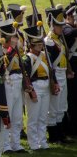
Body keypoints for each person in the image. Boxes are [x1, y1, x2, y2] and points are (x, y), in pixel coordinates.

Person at [23, 21, 56, 150]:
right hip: (35, 87)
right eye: (38, 44)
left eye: (41, 43)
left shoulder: (46, 56)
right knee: (33, 118)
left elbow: (51, 71)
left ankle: (43, 141)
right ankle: (33, 143)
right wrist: (31, 92)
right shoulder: (27, 59)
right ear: (31, 45)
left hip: (46, 86)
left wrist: (55, 84)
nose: (41, 46)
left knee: (43, 117)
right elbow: (26, 78)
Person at [44, 6, 74, 143]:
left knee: (62, 106)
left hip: (62, 73)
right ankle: (54, 136)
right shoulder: (49, 42)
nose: (61, 28)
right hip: (55, 75)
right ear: (52, 26)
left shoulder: (58, 39)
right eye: (58, 26)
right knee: (53, 108)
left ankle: (61, 134)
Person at [0, 19, 26, 153]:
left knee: (17, 116)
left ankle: (16, 144)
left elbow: (21, 65)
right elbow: (1, 68)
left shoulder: (14, 48)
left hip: (18, 80)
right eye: (11, 36)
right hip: (7, 83)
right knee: (6, 115)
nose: (14, 38)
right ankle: (5, 145)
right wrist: (12, 50)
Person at [63, 3, 77, 137]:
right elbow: (71, 32)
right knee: (71, 99)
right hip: (71, 67)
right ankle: (71, 129)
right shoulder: (66, 28)